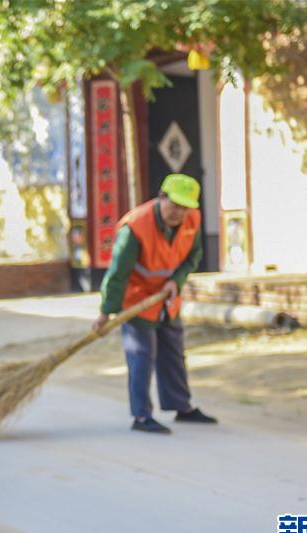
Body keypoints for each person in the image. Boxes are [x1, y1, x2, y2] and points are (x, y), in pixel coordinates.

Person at [92, 174, 218, 434]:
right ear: (161, 198)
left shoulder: (192, 219)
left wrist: (176, 280)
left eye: (185, 207)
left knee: (173, 351)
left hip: (167, 298)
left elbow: (193, 257)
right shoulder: (135, 227)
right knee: (142, 354)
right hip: (136, 299)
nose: (179, 213)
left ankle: (181, 406)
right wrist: (106, 312)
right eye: (174, 205)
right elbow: (117, 274)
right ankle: (141, 416)